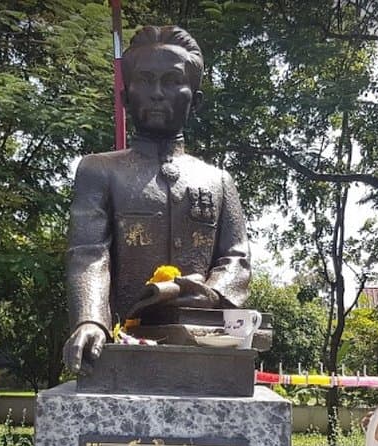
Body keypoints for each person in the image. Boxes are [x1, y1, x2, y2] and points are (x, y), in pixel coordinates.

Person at [63, 25, 251, 372]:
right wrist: (90, 320)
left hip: (202, 351)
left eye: (171, 80)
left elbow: (236, 258)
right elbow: (89, 255)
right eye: (146, 80)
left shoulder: (219, 180)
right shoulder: (99, 171)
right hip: (123, 347)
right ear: (125, 96)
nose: (157, 93)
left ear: (195, 100)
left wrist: (212, 292)